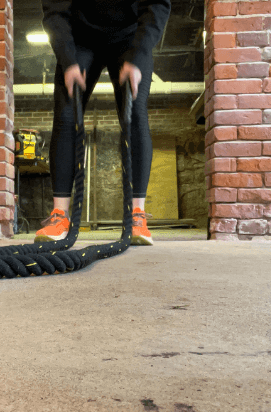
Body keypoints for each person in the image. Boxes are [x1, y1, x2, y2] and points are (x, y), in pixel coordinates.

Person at [36, 0, 171, 246]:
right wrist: (68, 61)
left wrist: (139, 55)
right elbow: (55, 11)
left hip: (130, 37)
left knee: (134, 114)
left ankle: (136, 216)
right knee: (67, 115)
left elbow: (158, 5)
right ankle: (60, 215)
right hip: (80, 38)